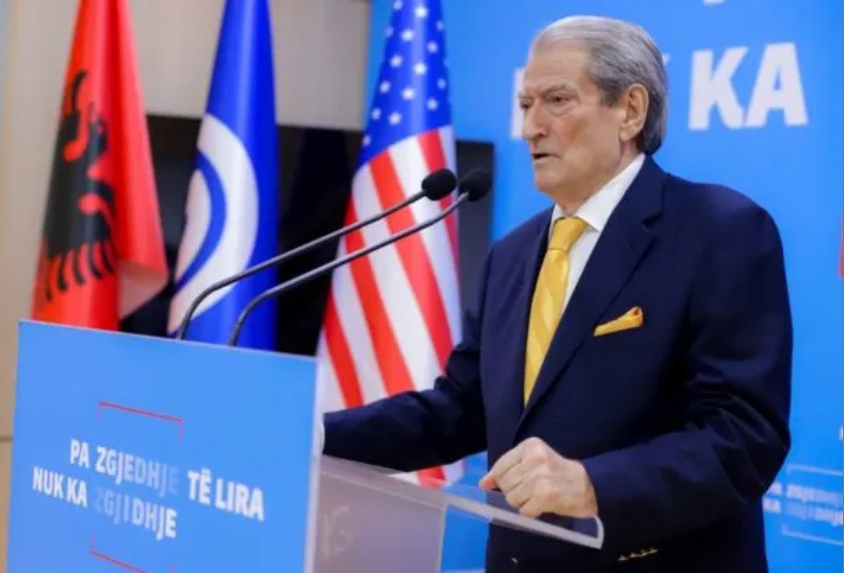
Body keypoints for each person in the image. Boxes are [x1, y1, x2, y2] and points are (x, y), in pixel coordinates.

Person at [322, 14, 792, 573]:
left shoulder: (718, 230)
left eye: (557, 101)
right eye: (526, 104)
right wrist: (314, 433)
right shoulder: (513, 255)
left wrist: (592, 484)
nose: (531, 127)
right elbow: (460, 410)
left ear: (630, 111)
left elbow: (743, 435)